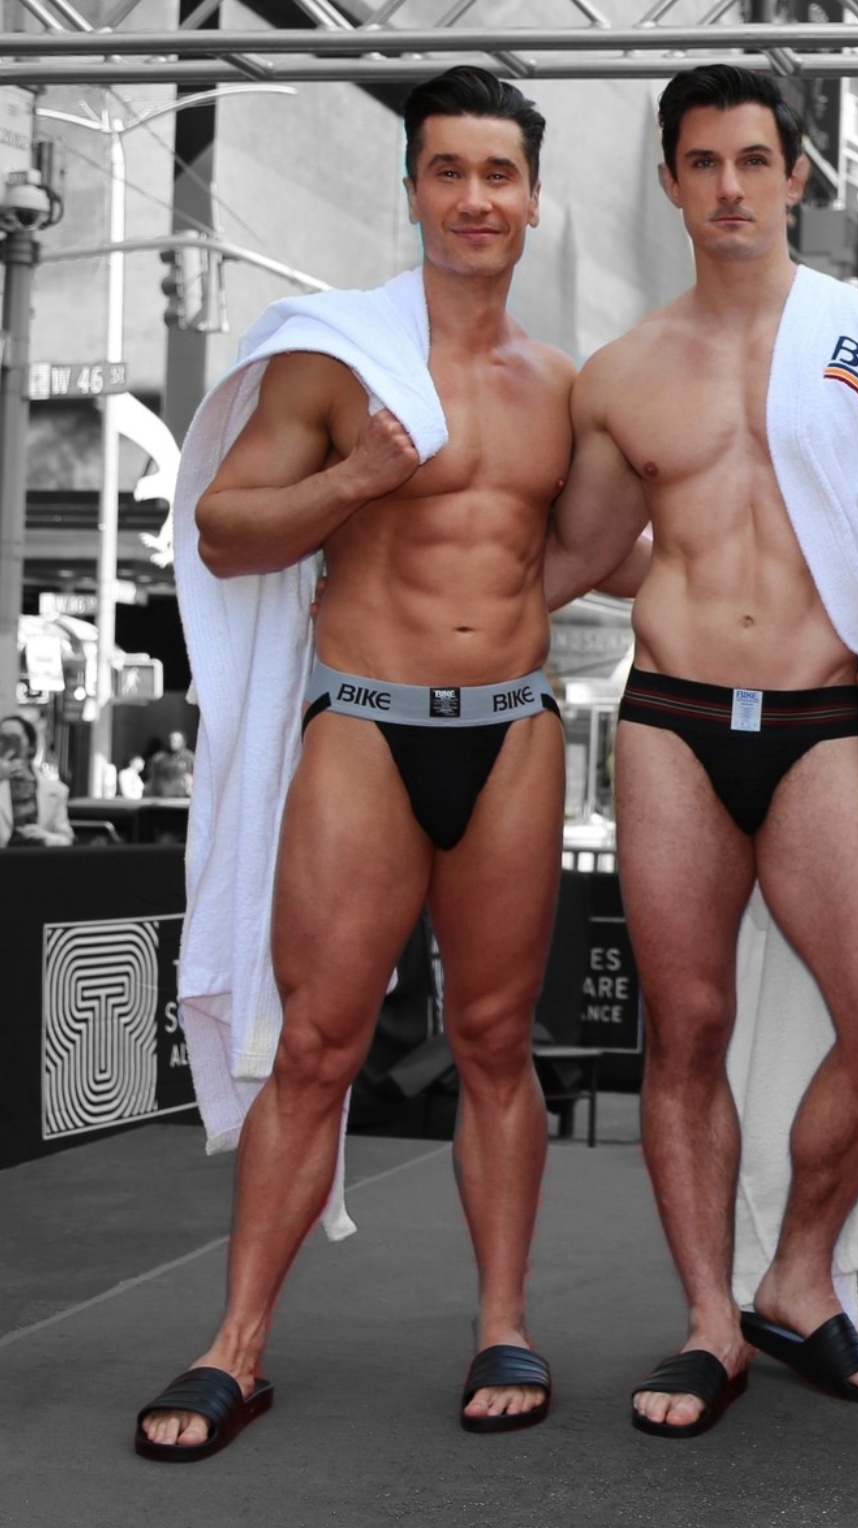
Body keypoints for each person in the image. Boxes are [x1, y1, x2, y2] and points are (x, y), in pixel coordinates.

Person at [139, 66, 574, 1458]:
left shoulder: (563, 388)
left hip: (513, 729)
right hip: (366, 729)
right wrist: (354, 484)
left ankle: (503, 1322)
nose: (474, 200)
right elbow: (222, 530)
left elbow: (613, 546)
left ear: (534, 198)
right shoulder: (338, 364)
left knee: (495, 1042)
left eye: (498, 174)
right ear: (412, 192)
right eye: (448, 173)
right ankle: (234, 1346)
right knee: (318, 1043)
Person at [542, 63, 858, 1439]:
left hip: (821, 722)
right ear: (669, 181)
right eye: (702, 163)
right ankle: (711, 1319)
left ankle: (797, 1274)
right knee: (688, 1027)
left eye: (753, 160)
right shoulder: (623, 373)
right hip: (676, 722)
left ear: (797, 175)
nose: (729, 187)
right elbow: (584, 556)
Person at [0, 714, 72, 845]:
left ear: (31, 747)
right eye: (2, 738)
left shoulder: (56, 791)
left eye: (14, 738)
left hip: (37, 856)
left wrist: (46, 837)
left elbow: (66, 839)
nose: (7, 745)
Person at [146, 729, 197, 798]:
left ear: (183, 742)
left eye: (177, 741)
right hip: (163, 794)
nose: (173, 743)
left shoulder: (190, 758)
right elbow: (151, 776)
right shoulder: (158, 758)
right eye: (171, 740)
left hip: (182, 794)